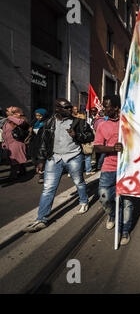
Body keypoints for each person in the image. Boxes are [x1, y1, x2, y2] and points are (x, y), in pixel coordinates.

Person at [23, 98, 95, 233]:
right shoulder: (49, 122)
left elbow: (90, 136)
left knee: (78, 182)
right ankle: (41, 219)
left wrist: (77, 135)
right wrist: (41, 160)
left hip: (74, 157)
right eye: (66, 108)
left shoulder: (78, 122)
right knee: (48, 188)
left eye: (69, 107)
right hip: (54, 158)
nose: (70, 109)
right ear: (57, 109)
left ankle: (84, 201)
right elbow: (43, 142)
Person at [94, 95, 134, 246]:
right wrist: (112, 148)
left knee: (127, 202)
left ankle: (124, 230)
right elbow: (97, 147)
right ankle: (112, 214)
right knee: (104, 196)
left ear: (116, 108)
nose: (104, 109)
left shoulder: (129, 123)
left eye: (107, 106)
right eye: (104, 106)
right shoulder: (102, 126)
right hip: (109, 167)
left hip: (128, 168)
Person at [1, 107, 29, 180]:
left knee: (14, 161)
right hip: (9, 144)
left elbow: (21, 123)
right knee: (17, 159)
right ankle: (23, 172)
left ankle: (12, 176)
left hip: (16, 143)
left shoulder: (20, 118)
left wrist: (10, 117)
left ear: (14, 112)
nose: (6, 111)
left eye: (8, 110)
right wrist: (4, 143)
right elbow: (5, 132)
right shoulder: (8, 120)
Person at [29, 108, 49, 183]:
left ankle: (42, 176)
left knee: (42, 160)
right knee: (34, 160)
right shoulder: (34, 122)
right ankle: (40, 171)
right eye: (37, 115)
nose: (38, 117)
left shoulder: (47, 122)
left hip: (43, 144)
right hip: (34, 144)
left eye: (40, 116)